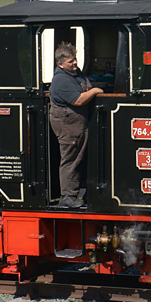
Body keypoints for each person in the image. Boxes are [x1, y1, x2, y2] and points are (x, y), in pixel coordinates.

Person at [47, 42, 104, 208]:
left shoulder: (74, 73)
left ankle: (77, 192)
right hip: (68, 125)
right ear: (60, 64)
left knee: (78, 158)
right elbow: (78, 100)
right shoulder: (60, 80)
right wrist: (95, 91)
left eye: (75, 59)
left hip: (77, 124)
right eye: (71, 61)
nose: (75, 63)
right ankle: (67, 196)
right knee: (70, 159)